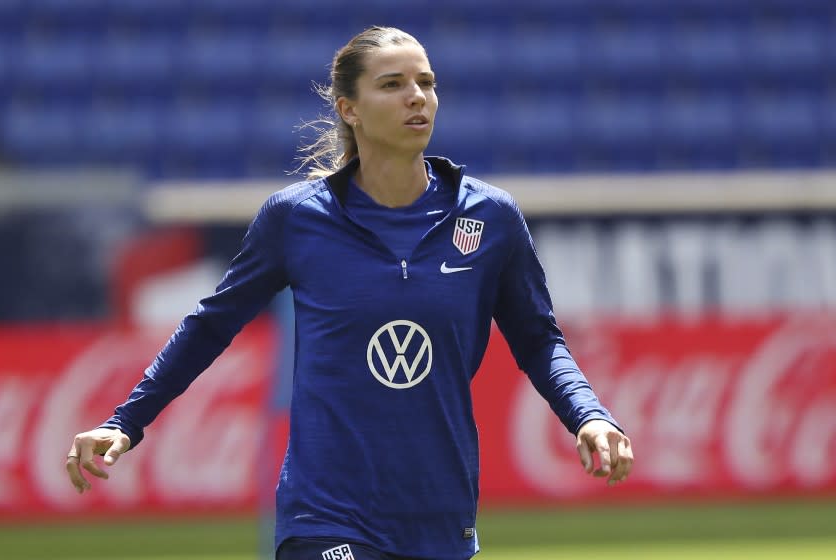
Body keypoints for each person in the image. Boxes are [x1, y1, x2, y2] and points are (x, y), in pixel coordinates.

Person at [66, 26, 633, 560]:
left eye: (426, 83)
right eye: (393, 85)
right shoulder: (296, 219)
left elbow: (538, 339)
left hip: (440, 515)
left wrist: (588, 415)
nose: (418, 97)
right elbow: (210, 327)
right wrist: (124, 422)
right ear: (349, 109)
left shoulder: (491, 217)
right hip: (325, 516)